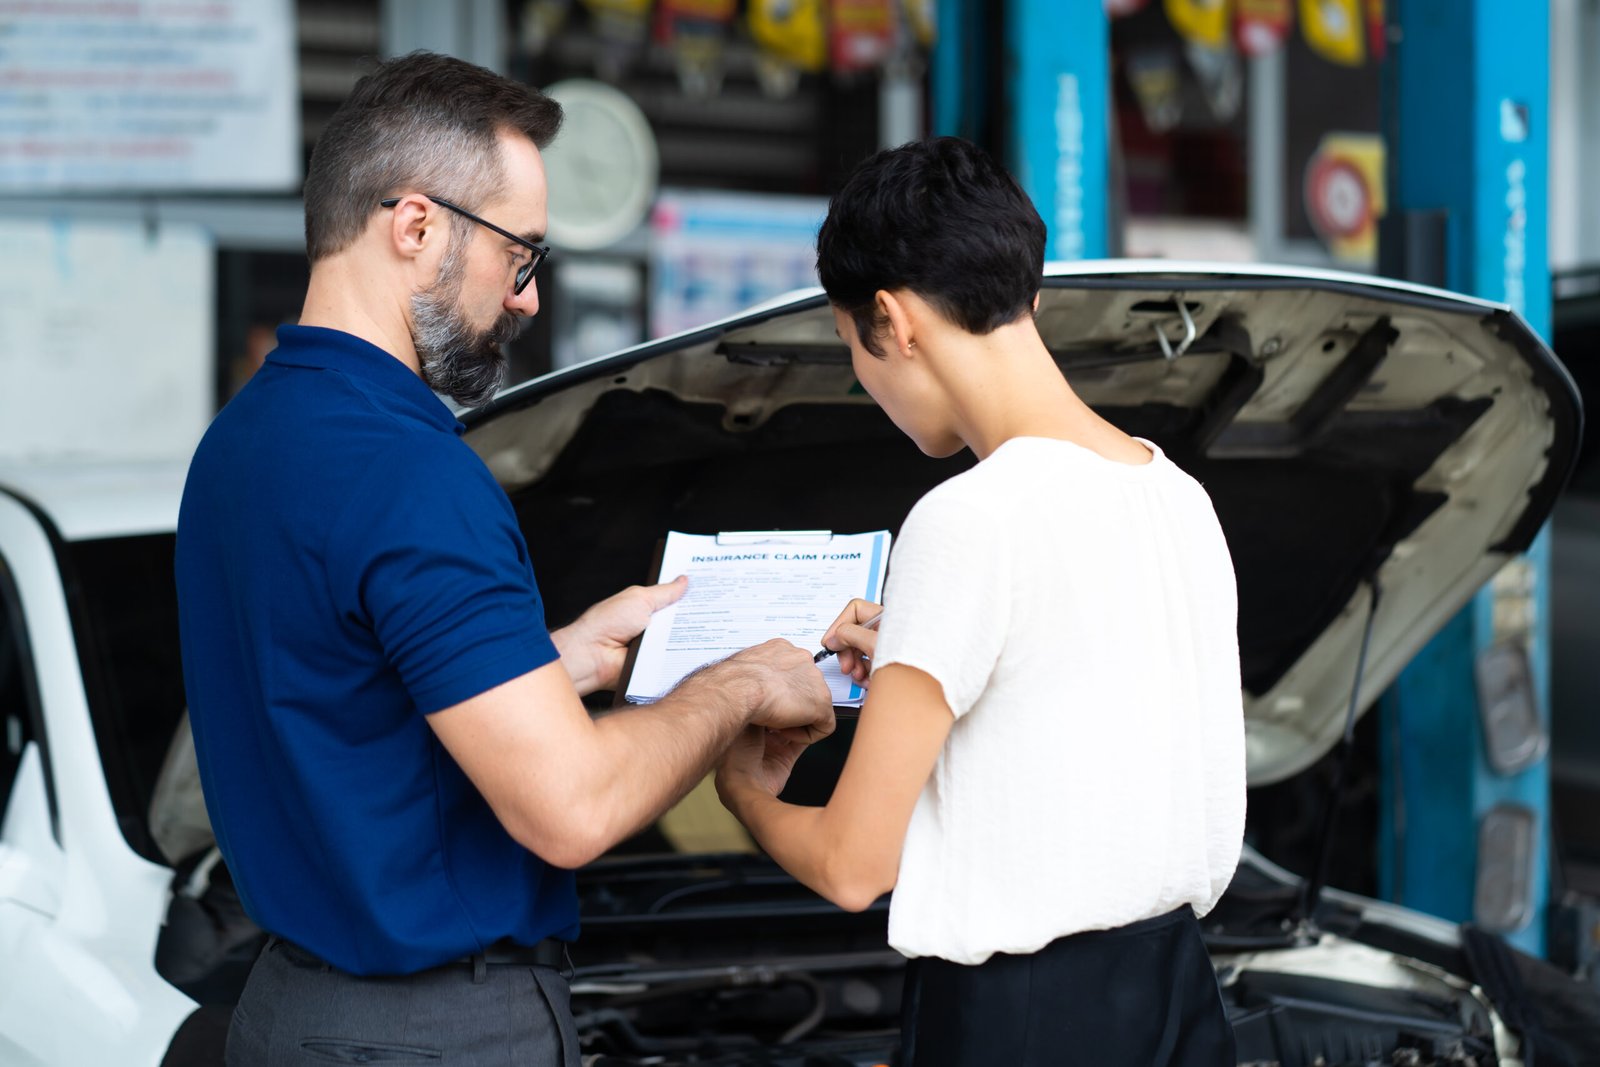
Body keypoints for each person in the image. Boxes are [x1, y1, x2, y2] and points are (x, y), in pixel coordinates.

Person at [175, 51, 833, 1066]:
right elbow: (569, 809)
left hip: (290, 1013)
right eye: (519, 255)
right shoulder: (413, 472)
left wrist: (554, 656)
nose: (525, 297)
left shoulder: (244, 440)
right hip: (438, 1032)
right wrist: (738, 682)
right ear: (416, 225)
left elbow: (339, 689)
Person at [714, 137, 1246, 1065]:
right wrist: (920, 643)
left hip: (1021, 1019)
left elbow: (851, 866)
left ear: (893, 320)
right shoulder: (1176, 495)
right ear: (1025, 296)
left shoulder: (969, 519)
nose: (863, 379)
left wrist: (738, 788)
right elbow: (1075, 696)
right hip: (1181, 1000)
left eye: (851, 349)